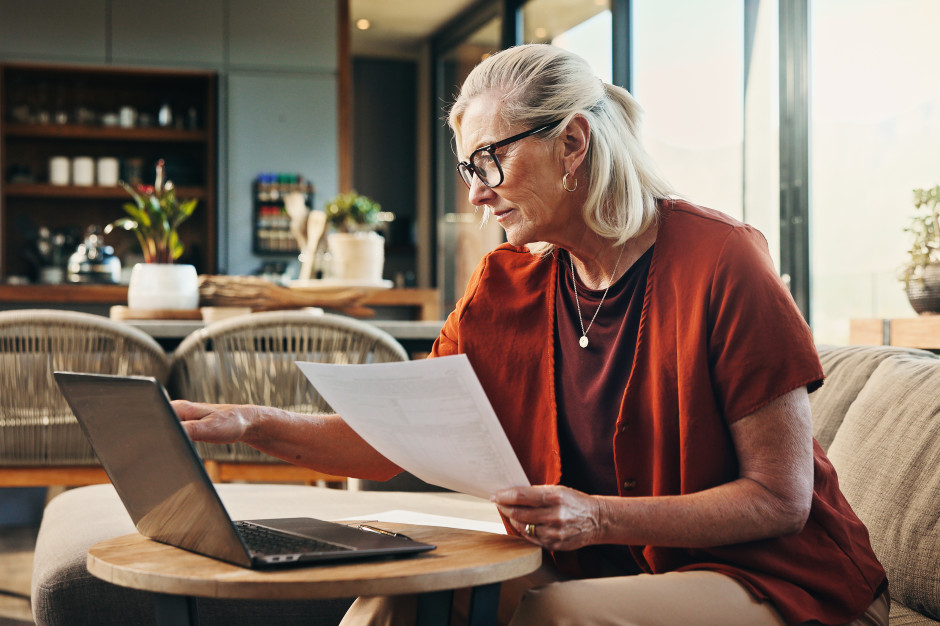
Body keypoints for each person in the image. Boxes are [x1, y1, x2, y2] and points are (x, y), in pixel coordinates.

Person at [174, 44, 888, 625]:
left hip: (771, 578)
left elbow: (779, 499)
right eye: (468, 167)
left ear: (572, 142)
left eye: (490, 160)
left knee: (555, 615)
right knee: (399, 598)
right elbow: (391, 442)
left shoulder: (722, 261)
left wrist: (596, 518)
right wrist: (251, 423)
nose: (475, 192)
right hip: (605, 568)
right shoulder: (504, 285)